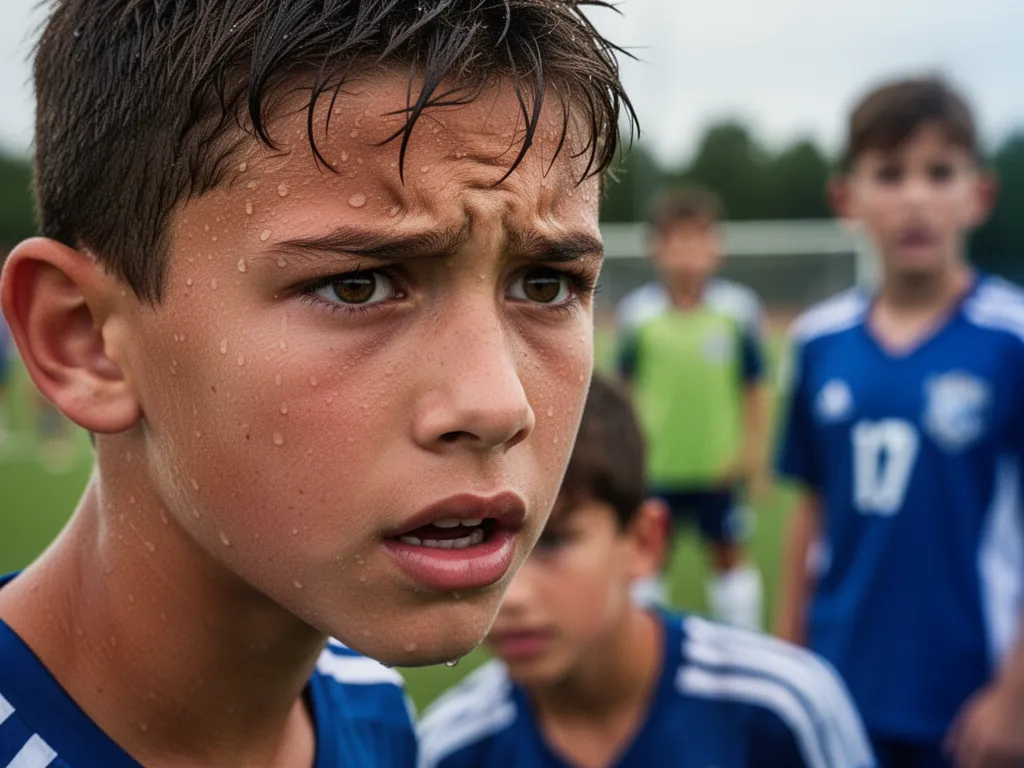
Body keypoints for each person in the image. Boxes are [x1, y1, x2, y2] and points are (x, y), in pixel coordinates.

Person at [0, 1, 634, 765]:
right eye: (359, 286)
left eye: (545, 283)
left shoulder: (372, 714)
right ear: (84, 341)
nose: (497, 405)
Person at [419, 375, 874, 768]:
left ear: (643, 542)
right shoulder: (451, 746)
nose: (511, 596)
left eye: (553, 542)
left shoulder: (783, 710)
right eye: (473, 538)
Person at [775, 76, 1024, 768]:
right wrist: (789, 660)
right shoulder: (818, 342)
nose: (915, 196)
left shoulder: (1012, 340)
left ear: (979, 194)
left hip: (973, 692)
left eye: (939, 172)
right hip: (841, 678)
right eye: (889, 174)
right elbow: (809, 512)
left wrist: (1015, 696)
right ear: (846, 199)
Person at [617, 187, 769, 628]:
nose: (687, 252)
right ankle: (645, 650)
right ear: (656, 249)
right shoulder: (638, 315)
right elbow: (624, 389)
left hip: (718, 468)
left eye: (698, 239)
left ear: (715, 247)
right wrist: (629, 457)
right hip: (655, 467)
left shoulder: (737, 311)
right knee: (648, 562)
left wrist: (751, 456)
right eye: (676, 241)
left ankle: (746, 647)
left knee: (729, 559)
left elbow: (754, 388)